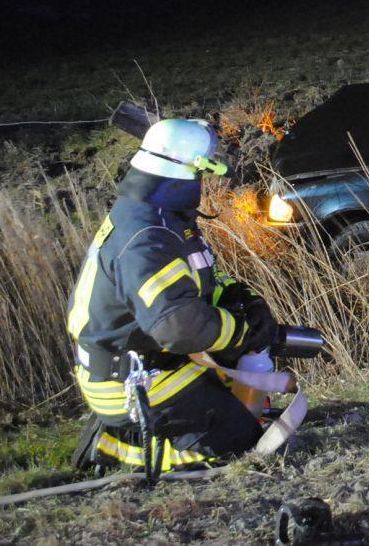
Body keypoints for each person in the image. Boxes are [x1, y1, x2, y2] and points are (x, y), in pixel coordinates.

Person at [67, 118, 276, 473]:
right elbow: (178, 326)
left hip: (155, 359)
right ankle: (116, 447)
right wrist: (240, 332)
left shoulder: (159, 217)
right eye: (203, 173)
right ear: (188, 171)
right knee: (239, 444)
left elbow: (193, 280)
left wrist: (239, 297)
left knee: (251, 407)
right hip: (130, 377)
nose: (205, 184)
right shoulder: (147, 236)